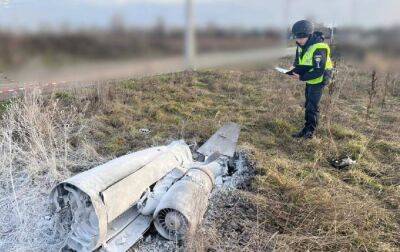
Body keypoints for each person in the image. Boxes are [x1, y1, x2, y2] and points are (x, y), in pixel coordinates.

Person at [287, 20, 334, 139]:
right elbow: (298, 60)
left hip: (320, 78)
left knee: (312, 106)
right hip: (310, 77)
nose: (298, 40)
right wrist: (294, 68)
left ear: (309, 35)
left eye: (301, 38)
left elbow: (319, 71)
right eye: (297, 37)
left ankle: (310, 133)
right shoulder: (301, 46)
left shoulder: (319, 48)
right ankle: (306, 128)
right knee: (308, 104)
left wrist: (301, 77)